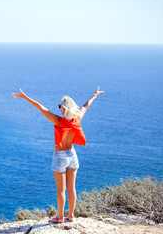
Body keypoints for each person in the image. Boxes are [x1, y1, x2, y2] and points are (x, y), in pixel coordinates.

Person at [12, 87, 104, 223]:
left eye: (60, 106)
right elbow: (86, 105)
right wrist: (94, 95)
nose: (59, 108)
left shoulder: (58, 121)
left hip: (60, 156)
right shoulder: (77, 118)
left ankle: (60, 217)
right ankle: (71, 215)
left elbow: (41, 107)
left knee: (61, 190)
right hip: (72, 155)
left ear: (64, 108)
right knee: (71, 188)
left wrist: (25, 97)